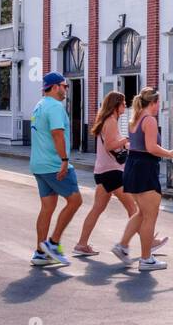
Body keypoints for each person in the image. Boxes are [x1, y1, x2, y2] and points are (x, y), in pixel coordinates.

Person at [72, 92, 167, 256]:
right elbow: (110, 146)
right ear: (115, 105)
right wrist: (124, 141)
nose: (125, 107)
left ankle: (82, 243)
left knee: (97, 209)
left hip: (102, 170)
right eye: (123, 104)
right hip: (112, 171)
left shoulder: (107, 120)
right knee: (135, 209)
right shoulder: (111, 121)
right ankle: (144, 243)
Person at [110, 88, 173, 271]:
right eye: (158, 103)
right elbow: (151, 147)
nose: (159, 107)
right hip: (145, 168)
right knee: (150, 216)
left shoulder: (135, 118)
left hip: (133, 166)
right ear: (153, 103)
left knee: (141, 213)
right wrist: (170, 153)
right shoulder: (149, 120)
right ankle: (146, 259)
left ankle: (123, 246)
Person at [29, 72, 83, 267]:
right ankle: (53, 242)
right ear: (54, 87)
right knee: (75, 200)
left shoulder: (39, 105)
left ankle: (40, 253)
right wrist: (64, 160)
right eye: (64, 86)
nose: (66, 89)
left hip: (38, 164)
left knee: (47, 208)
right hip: (54, 164)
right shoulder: (55, 107)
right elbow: (57, 134)